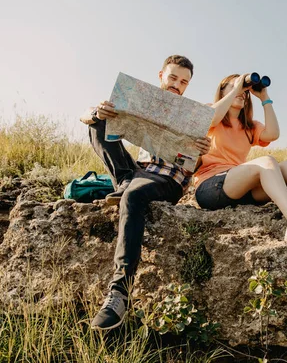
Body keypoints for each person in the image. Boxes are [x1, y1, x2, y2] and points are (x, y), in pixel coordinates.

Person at [80, 55, 211, 330]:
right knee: (98, 123)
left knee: (133, 195)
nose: (177, 85)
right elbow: (85, 118)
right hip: (136, 170)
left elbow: (194, 166)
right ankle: (126, 182)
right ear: (161, 75)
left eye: (184, 81)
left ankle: (119, 293)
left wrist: (202, 151)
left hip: (167, 179)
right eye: (173, 78)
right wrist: (97, 113)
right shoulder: (142, 101)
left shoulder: (192, 115)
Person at [193, 73, 287, 245]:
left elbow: (273, 134)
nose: (242, 92)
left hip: (241, 190)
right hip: (211, 187)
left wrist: (264, 98)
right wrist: (238, 87)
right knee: (266, 161)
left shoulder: (249, 126)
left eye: (245, 90)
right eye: (233, 85)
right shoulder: (212, 113)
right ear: (222, 92)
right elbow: (212, 117)